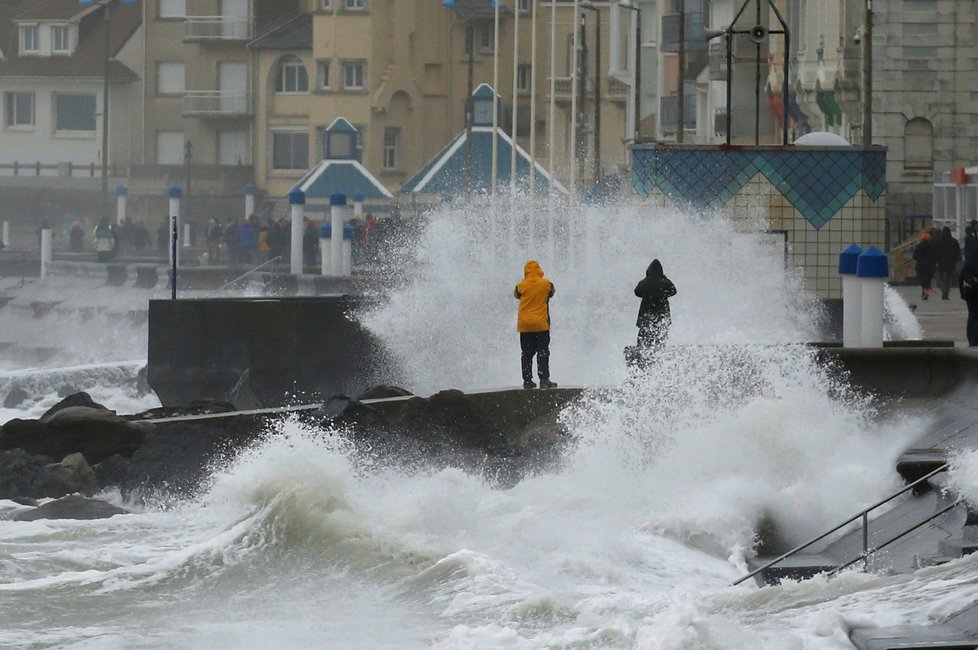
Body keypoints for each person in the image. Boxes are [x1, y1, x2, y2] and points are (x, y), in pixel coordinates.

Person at [514, 260, 556, 389]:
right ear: (538, 270)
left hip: (525, 325)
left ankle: (527, 381)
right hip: (541, 324)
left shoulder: (521, 285)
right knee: (542, 351)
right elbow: (552, 293)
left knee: (526, 353)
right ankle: (544, 380)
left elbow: (516, 295)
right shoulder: (546, 284)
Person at [634, 259, 677, 350]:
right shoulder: (664, 281)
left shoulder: (644, 282)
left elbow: (637, 292)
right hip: (661, 311)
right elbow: (673, 291)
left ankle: (642, 349)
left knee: (644, 331)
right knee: (660, 330)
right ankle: (660, 348)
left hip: (646, 311)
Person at [913, 229, 939, 300]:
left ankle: (924, 291)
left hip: (921, 265)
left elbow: (915, 256)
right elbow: (935, 255)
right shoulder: (932, 246)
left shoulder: (919, 246)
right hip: (930, 265)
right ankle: (926, 290)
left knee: (922, 279)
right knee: (928, 279)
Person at [937, 226, 961, 300]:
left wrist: (936, 260)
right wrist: (955, 260)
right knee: (948, 277)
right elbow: (958, 252)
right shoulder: (954, 241)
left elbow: (935, 252)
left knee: (941, 278)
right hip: (950, 262)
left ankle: (943, 291)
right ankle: (946, 292)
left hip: (940, 262)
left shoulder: (939, 241)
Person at [960, 252, 978, 346]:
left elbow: (961, 278)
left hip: (970, 295)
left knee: (972, 316)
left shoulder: (969, 264)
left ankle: (972, 339)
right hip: (974, 294)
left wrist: (963, 294)